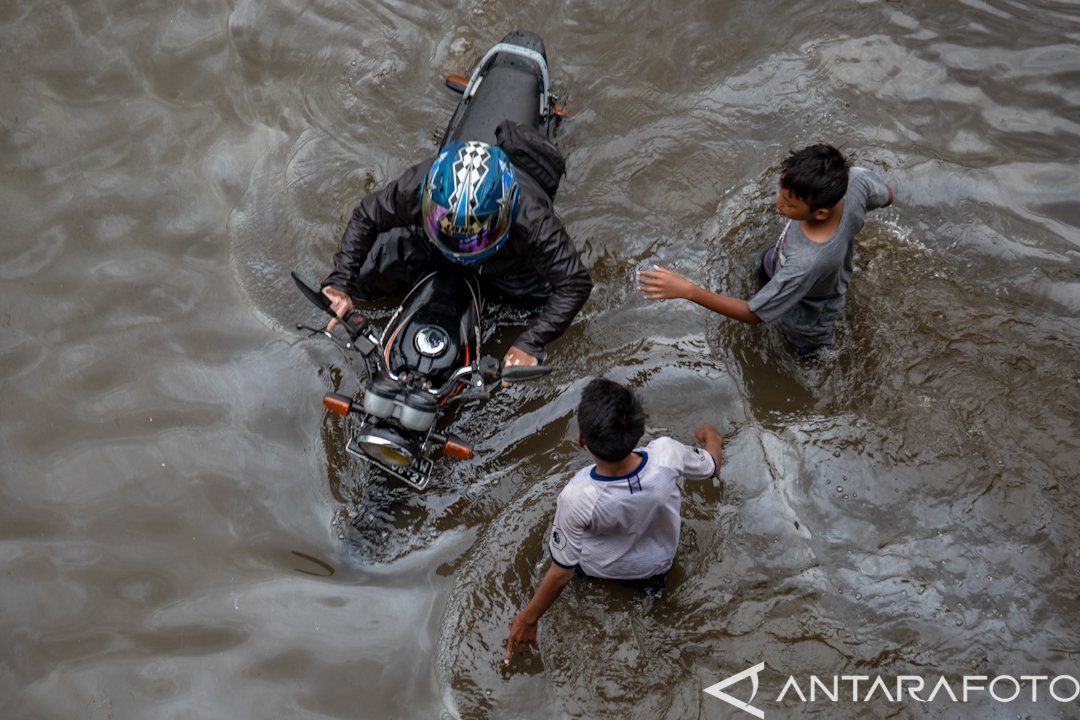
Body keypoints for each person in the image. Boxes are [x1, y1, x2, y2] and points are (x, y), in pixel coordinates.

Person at [320, 124, 592, 368]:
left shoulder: (534, 223)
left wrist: (531, 341)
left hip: (509, 268)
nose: (463, 244)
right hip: (432, 246)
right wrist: (341, 282)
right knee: (364, 282)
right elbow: (367, 214)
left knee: (529, 314)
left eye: (472, 233)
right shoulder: (417, 186)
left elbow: (575, 283)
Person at [504, 378, 724, 663]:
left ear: (581, 439)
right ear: (642, 429)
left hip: (596, 572)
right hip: (654, 572)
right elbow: (712, 466)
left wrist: (529, 618)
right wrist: (712, 437)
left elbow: (561, 572)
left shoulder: (577, 495)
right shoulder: (667, 455)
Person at [638, 144, 894, 356]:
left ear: (820, 213)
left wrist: (688, 291)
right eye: (780, 192)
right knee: (766, 265)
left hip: (807, 318)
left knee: (804, 354)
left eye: (789, 204)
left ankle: (811, 359)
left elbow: (754, 315)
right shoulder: (855, 181)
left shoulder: (806, 262)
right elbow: (887, 196)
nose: (778, 203)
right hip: (782, 260)